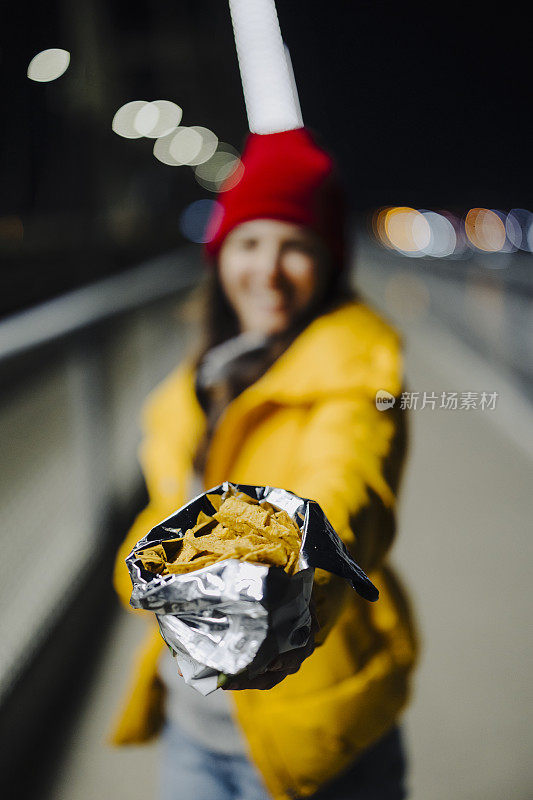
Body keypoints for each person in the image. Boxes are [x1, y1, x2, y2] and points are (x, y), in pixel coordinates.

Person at [111, 128, 418, 800]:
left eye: (296, 246)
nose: (268, 270)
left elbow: (347, 483)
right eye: (249, 243)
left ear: (329, 261)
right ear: (220, 256)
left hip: (314, 734)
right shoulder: (195, 385)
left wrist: (295, 574)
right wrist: (136, 576)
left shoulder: (360, 374)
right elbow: (164, 511)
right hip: (193, 729)